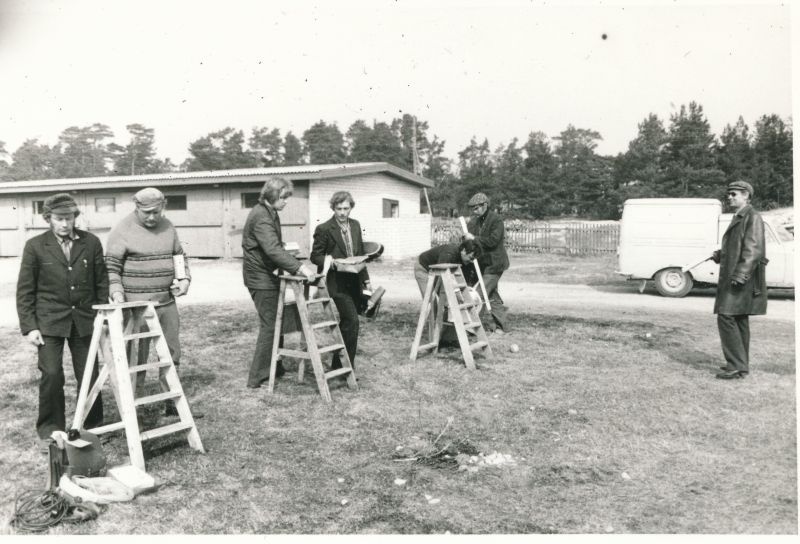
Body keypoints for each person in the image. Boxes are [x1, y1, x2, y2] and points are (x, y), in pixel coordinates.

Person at [16, 193, 106, 449]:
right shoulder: (34, 246)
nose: (65, 224)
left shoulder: (91, 242)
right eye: (59, 219)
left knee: (88, 374)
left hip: (84, 320)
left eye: (69, 218)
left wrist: (102, 316)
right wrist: (30, 327)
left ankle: (90, 425)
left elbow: (101, 282)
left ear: (75, 217)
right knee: (52, 374)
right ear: (48, 219)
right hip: (49, 321)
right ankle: (51, 428)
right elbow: (25, 290)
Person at [105, 187, 194, 416]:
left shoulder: (168, 226)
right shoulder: (122, 230)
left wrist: (184, 279)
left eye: (156, 211)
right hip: (136, 308)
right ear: (137, 208)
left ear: (163, 206)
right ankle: (136, 407)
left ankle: (172, 403)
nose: (152, 217)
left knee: (172, 354)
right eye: (147, 213)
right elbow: (111, 267)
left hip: (166, 303)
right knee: (137, 357)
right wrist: (117, 293)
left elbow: (179, 256)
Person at [243, 177, 316, 388]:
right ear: (272, 195)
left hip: (267, 275)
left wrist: (285, 248)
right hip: (260, 278)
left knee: (278, 320)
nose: (286, 201)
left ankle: (275, 366)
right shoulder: (261, 216)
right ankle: (257, 376)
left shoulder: (269, 212)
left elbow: (271, 244)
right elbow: (272, 250)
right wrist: (301, 268)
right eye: (284, 197)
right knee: (270, 325)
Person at [711, 180, 768, 379]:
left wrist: (741, 274)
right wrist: (721, 254)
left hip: (741, 278)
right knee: (738, 318)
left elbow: (753, 249)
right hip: (740, 276)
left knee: (725, 316)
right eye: (729, 194)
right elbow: (739, 245)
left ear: (746, 196)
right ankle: (741, 365)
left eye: (734, 194)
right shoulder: (741, 216)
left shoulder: (752, 216)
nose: (729, 197)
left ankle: (735, 365)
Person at [310, 191, 371, 370]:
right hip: (335, 282)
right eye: (339, 209)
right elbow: (315, 256)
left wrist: (366, 281)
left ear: (351, 207)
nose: (343, 213)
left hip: (354, 280)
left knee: (349, 322)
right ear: (333, 208)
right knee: (352, 321)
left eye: (346, 208)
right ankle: (346, 368)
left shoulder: (356, 225)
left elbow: (360, 255)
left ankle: (339, 364)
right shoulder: (324, 229)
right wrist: (332, 263)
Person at [463, 192, 510, 333]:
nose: (474, 211)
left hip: (495, 264)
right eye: (472, 209)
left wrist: (474, 238)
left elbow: (492, 241)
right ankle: (502, 327)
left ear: (485, 205)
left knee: (478, 294)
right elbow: (471, 240)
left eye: (476, 208)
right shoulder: (475, 222)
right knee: (491, 295)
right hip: (483, 264)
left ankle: (472, 328)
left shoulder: (496, 220)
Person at [414, 239, 482, 297]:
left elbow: (463, 279)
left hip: (435, 270)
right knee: (430, 299)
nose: (471, 261)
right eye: (471, 258)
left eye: (473, 259)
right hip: (423, 267)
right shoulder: (448, 254)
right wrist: (453, 294)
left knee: (446, 298)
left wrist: (465, 289)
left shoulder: (465, 259)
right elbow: (439, 278)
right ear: (464, 251)